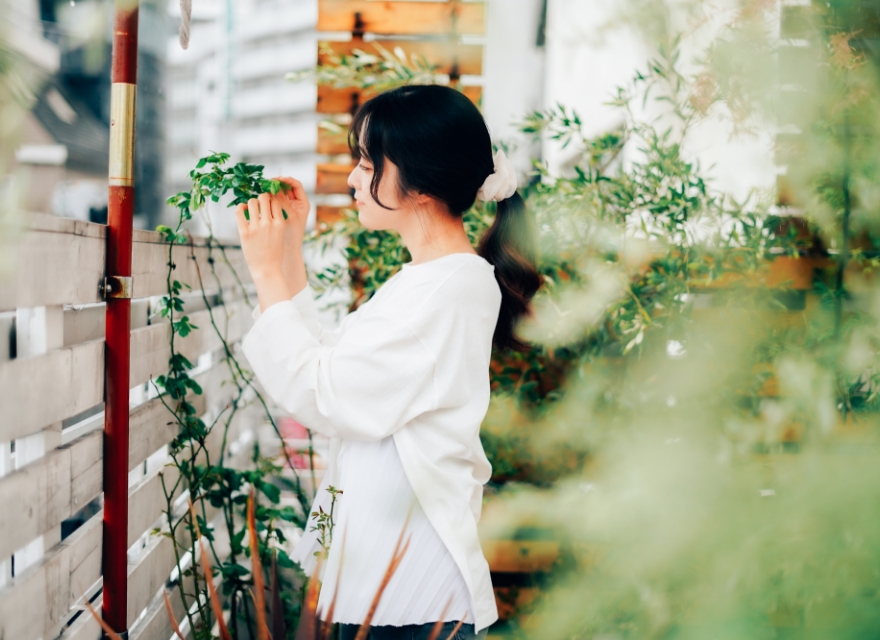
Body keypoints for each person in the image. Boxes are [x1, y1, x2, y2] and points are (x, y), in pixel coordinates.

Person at [237, 85, 541, 640]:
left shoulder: (445, 291)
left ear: (419, 182)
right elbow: (331, 362)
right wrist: (285, 253)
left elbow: (330, 397)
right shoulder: (429, 281)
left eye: (367, 162)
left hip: (414, 594)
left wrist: (265, 274)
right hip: (399, 586)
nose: (353, 178)